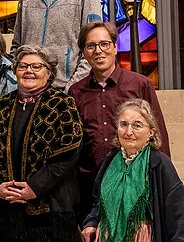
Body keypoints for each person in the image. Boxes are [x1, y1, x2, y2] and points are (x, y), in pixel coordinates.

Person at [68, 21, 171, 222]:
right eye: (91, 46)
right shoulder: (76, 92)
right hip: (91, 186)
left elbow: (157, 133)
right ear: (84, 53)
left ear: (115, 47)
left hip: (134, 182)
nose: (98, 51)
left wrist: (162, 178)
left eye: (104, 44)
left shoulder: (139, 84)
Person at [0, 45, 83, 242]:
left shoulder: (62, 104)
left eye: (36, 66)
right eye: (23, 66)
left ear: (49, 73)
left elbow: (67, 154)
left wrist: (34, 187)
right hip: (6, 211)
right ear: (15, 71)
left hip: (52, 209)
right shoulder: (0, 107)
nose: (29, 71)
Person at [82, 99, 184, 242]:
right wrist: (91, 222)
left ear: (151, 132)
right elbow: (97, 203)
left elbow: (177, 213)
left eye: (137, 125)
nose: (128, 132)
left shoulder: (159, 163)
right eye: (123, 124)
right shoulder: (110, 160)